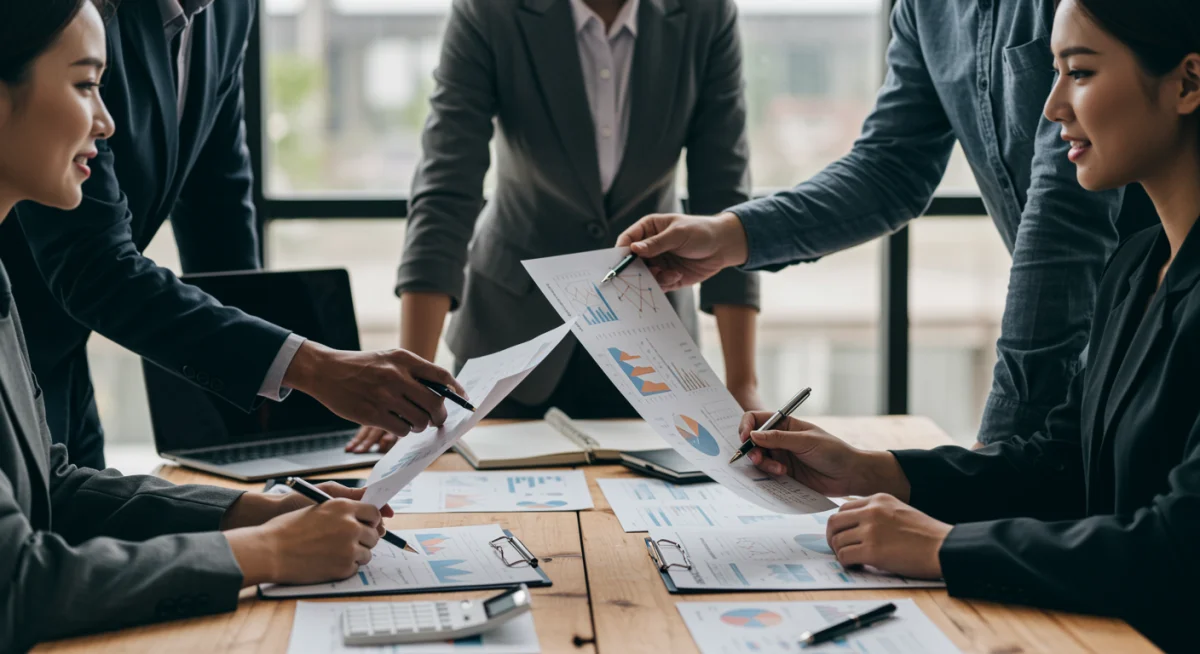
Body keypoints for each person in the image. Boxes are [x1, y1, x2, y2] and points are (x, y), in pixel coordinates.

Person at [736, 1, 1200, 649]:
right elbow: (1064, 464)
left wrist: (948, 546)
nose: (1050, 107)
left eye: (1080, 73)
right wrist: (874, 471)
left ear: (1187, 83)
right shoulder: (1136, 267)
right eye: (1052, 71)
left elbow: (1178, 549)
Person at [0, 3, 395, 650]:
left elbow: (54, 490)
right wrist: (263, 552)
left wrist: (251, 511)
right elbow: (18, 583)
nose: (108, 122)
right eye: (85, 84)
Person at [618, 0, 1161, 448]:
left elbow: (1063, 219)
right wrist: (727, 236)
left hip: (1164, 323)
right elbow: (891, 167)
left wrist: (994, 455)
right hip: (1095, 356)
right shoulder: (926, 10)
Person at [0, 0, 464, 470]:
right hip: (23, 333)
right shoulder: (76, 13)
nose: (105, 124)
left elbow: (218, 199)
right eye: (85, 87)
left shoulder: (230, 10)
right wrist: (313, 368)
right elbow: (92, 263)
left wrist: (265, 417)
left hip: (61, 363)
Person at [348, 0, 762, 453]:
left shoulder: (705, 13)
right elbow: (447, 188)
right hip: (512, 335)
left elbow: (723, 199)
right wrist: (416, 377)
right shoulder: (491, 11)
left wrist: (741, 383)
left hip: (650, 334)